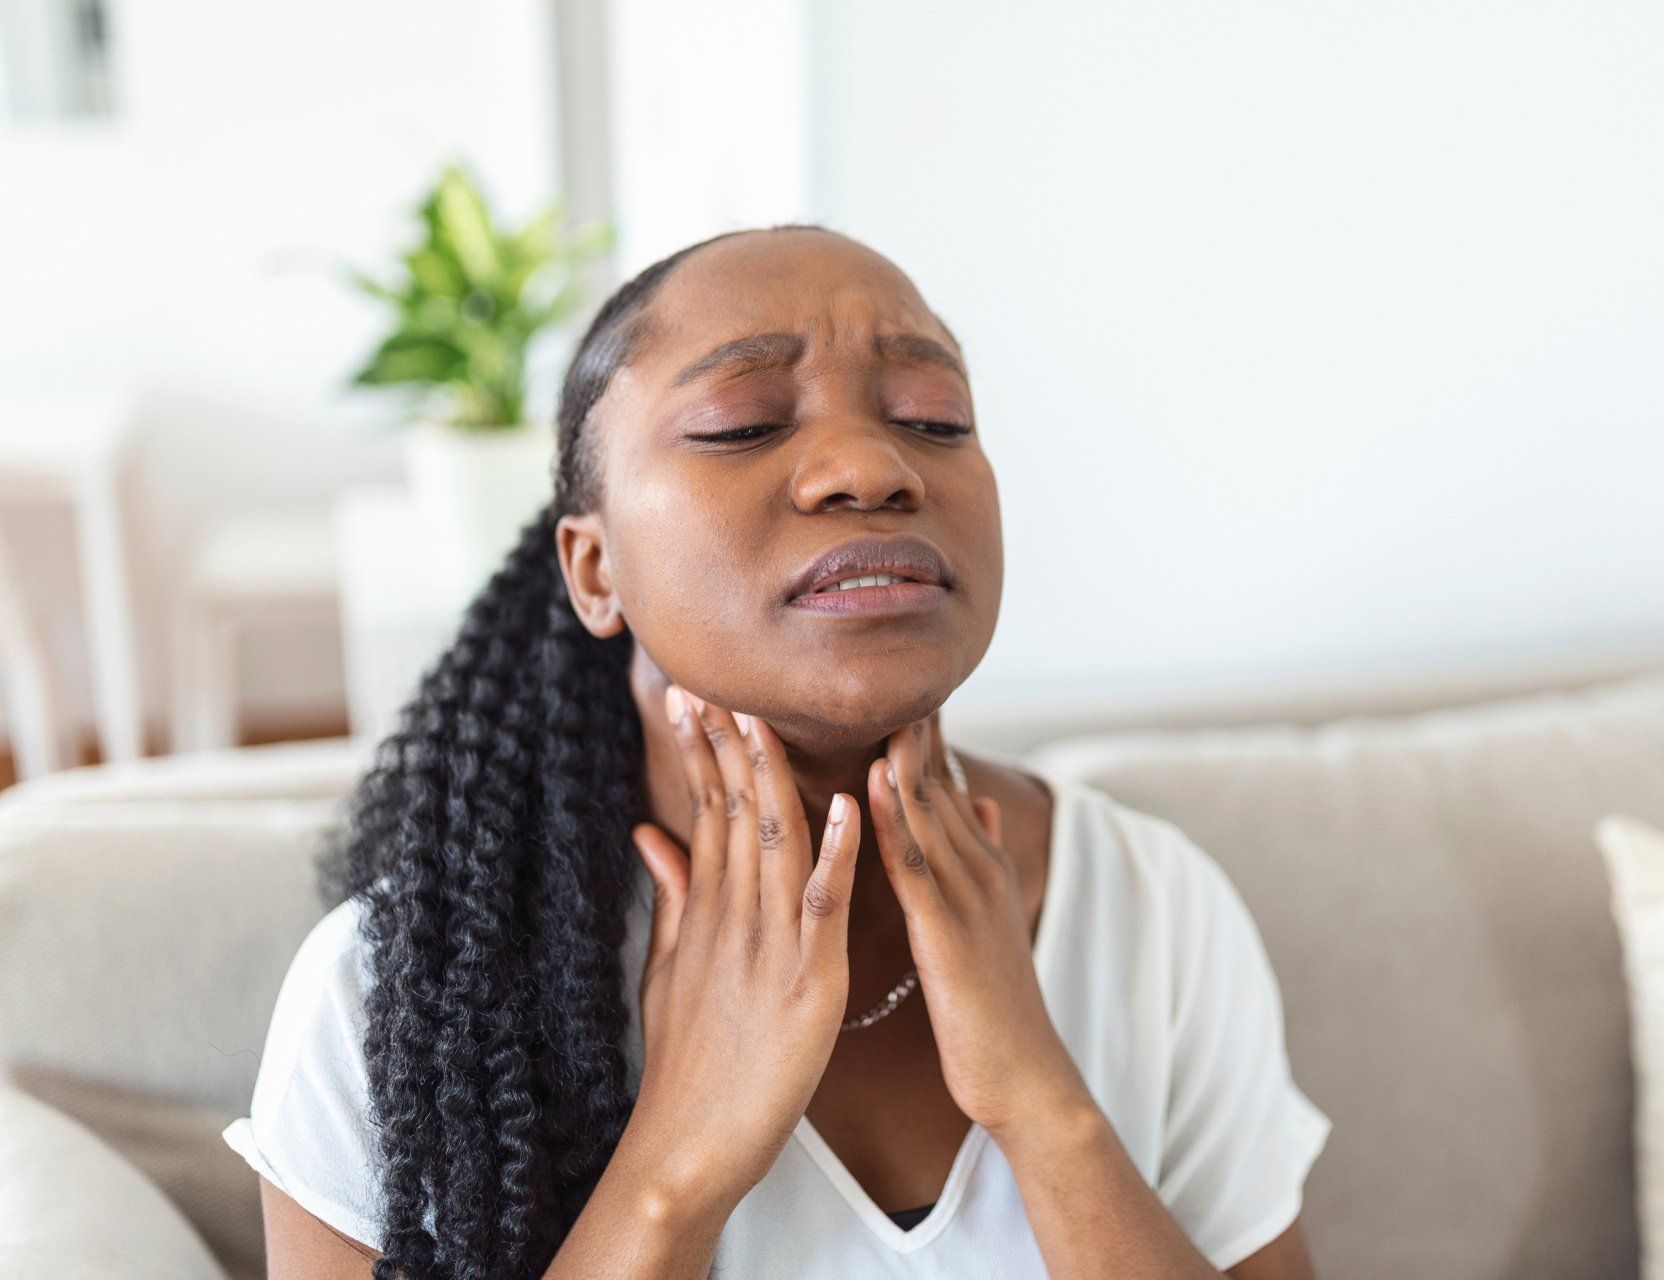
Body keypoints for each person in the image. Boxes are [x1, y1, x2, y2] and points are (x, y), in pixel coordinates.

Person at [221, 224, 1331, 1279]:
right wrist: (674, 1169)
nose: (871, 466)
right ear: (593, 569)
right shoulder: (395, 995)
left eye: (934, 416)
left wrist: (1047, 1107)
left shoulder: (1150, 904)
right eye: (744, 421)